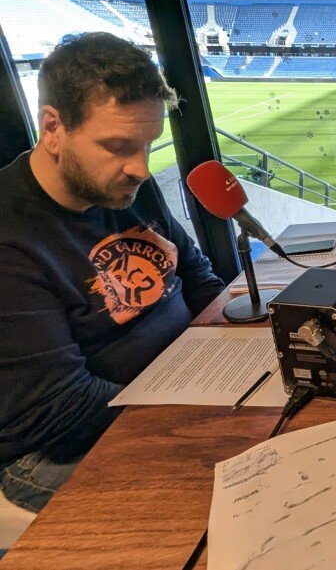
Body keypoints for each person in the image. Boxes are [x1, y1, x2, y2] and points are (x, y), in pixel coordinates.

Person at [0, 33, 225, 513]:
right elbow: (61, 407)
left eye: (148, 145)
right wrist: (207, 414)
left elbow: (199, 276)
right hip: (65, 445)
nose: (141, 168)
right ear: (53, 128)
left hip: (182, 386)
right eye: (118, 145)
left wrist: (245, 345)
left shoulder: (122, 185)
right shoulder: (10, 237)